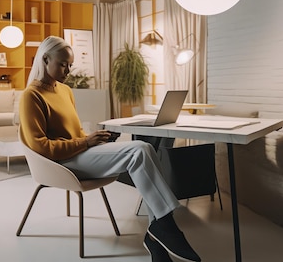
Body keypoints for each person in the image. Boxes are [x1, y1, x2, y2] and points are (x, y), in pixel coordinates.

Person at [18, 36, 201, 262]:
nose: (67, 70)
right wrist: (85, 143)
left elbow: (72, 134)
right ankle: (163, 227)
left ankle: (158, 235)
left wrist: (94, 139)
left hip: (78, 153)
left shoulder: (64, 91)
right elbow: (41, 147)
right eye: (63, 64)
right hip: (60, 163)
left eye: (70, 65)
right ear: (45, 59)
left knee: (145, 150)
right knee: (139, 151)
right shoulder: (31, 96)